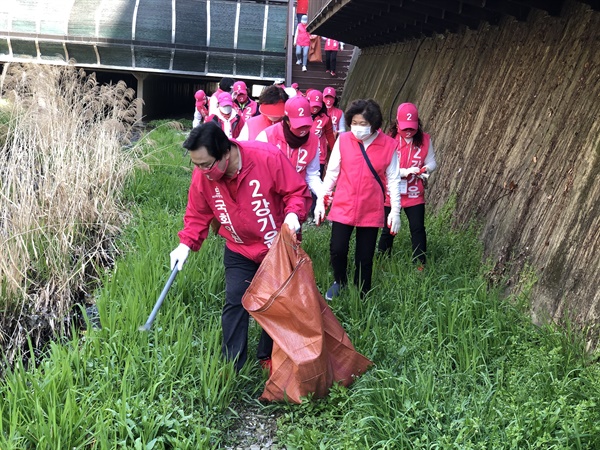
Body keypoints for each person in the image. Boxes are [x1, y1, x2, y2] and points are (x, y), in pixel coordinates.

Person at [170, 122, 312, 372]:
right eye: (196, 164)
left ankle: (268, 356)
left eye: (206, 164)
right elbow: (197, 214)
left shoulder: (266, 157)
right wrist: (185, 244)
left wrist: (293, 216)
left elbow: (297, 193)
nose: (201, 170)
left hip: (275, 245)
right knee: (236, 300)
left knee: (276, 302)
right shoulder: (203, 176)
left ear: (225, 153)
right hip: (239, 247)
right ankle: (232, 364)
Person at [314, 99, 401, 300]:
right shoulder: (343, 140)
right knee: (337, 249)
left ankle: (362, 291)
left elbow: (394, 180)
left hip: (371, 207)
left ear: (374, 124)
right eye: (354, 123)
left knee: (365, 255)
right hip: (344, 204)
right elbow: (332, 173)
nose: (357, 128)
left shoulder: (388, 145)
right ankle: (340, 281)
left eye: (363, 124)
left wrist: (395, 211)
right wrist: (321, 200)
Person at [377, 103, 437, 268]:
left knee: (417, 229)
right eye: (405, 128)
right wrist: (403, 172)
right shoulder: (389, 139)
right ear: (397, 124)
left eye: (412, 127)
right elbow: (383, 165)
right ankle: (381, 261)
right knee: (388, 229)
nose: (409, 131)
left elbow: (432, 161)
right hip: (393, 191)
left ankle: (420, 264)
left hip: (414, 192)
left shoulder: (425, 139)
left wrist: (425, 170)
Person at [256, 95, 322, 200]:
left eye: (306, 125)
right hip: (271, 198)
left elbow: (312, 174)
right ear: (287, 120)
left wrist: (322, 195)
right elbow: (257, 172)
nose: (303, 130)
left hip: (297, 198)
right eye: (299, 125)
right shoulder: (267, 137)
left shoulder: (313, 140)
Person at [307, 89, 336, 176]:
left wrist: (334, 152)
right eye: (313, 105)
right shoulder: (302, 115)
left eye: (317, 106)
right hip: (304, 155)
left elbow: (330, 136)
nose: (315, 108)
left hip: (319, 156)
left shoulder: (326, 118)